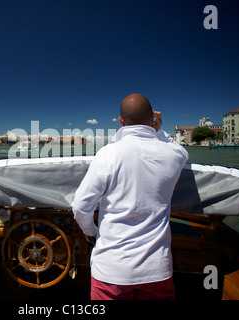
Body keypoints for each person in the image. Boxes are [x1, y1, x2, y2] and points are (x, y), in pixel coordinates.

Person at [72, 93, 189, 300]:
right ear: (153, 117)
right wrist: (158, 131)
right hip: (157, 269)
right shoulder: (174, 155)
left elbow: (81, 206)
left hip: (111, 271)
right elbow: (179, 149)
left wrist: (90, 231)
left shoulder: (108, 154)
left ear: (121, 122)